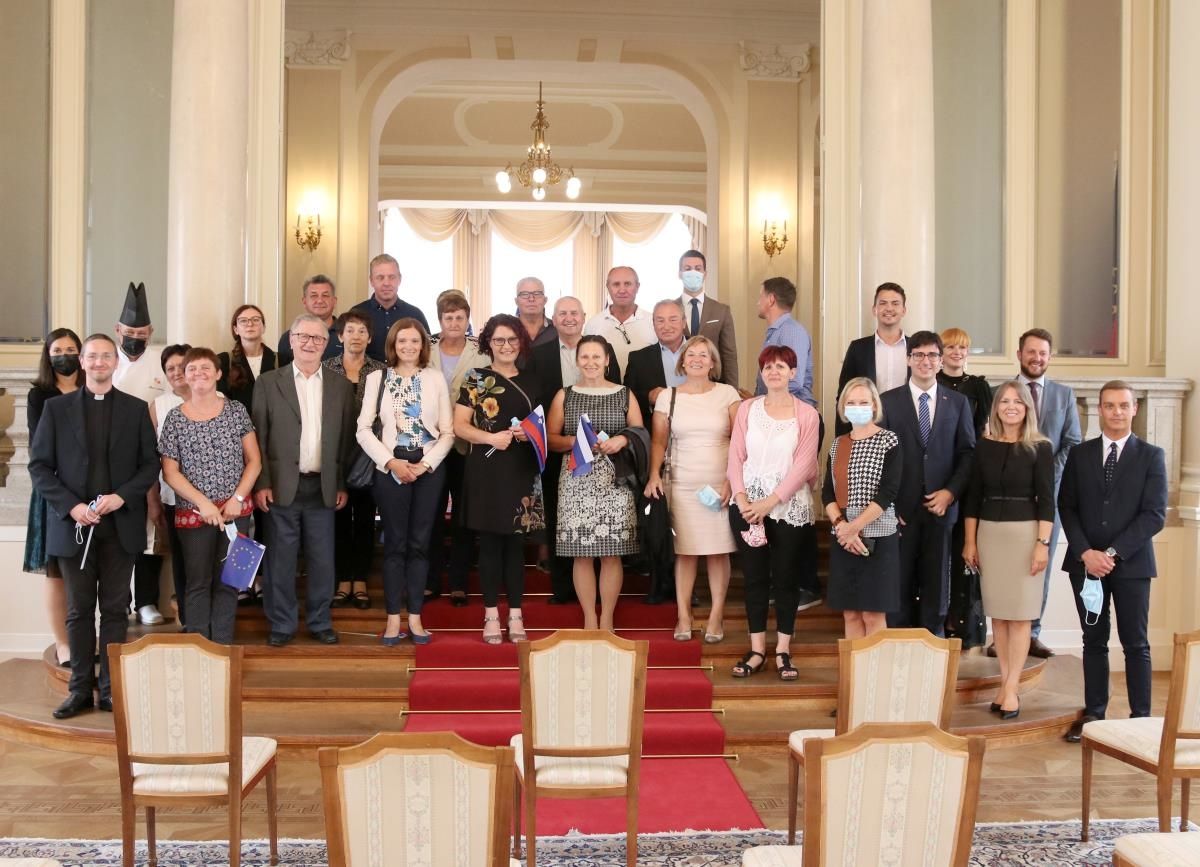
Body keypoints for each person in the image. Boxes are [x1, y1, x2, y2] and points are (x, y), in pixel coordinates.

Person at [29, 333, 159, 720]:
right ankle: (80, 690)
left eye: (106, 356)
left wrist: (122, 497)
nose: (99, 362)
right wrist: (71, 507)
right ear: (83, 362)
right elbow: (39, 467)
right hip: (74, 526)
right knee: (78, 610)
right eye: (92, 356)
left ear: (115, 362)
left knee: (116, 610)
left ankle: (112, 690)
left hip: (121, 525)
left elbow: (149, 465)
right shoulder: (56, 409)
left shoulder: (136, 409)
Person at [1060, 381, 1167, 743]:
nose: (1117, 412)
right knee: (1094, 640)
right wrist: (1086, 553)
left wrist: (1111, 553)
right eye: (1110, 405)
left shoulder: (1151, 456)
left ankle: (1141, 718)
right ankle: (1094, 714)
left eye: (1123, 405)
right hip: (1085, 565)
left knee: (1136, 642)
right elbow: (1067, 507)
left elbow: (1154, 514)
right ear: (1100, 409)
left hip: (1132, 566)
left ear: (1134, 409)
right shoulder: (1080, 455)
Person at [252, 313, 357, 647]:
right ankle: (282, 625)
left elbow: (346, 440)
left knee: (323, 560)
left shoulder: (341, 386)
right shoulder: (268, 383)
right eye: (304, 337)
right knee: (281, 560)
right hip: (281, 485)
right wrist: (262, 482)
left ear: (327, 344)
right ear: (291, 340)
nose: (310, 343)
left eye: (318, 338)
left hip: (322, 486)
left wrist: (340, 482)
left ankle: (320, 621)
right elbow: (258, 437)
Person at [357, 319, 454, 645]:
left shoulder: (435, 378)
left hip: (428, 470)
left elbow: (447, 432)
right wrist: (391, 463)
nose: (408, 346)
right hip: (390, 468)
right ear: (393, 345)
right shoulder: (377, 378)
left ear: (423, 345)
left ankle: (415, 617)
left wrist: (425, 465)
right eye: (402, 341)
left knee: (419, 545)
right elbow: (363, 429)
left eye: (414, 341)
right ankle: (392, 619)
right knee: (395, 545)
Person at [727, 345, 821, 680]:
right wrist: (742, 498)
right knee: (754, 579)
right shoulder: (747, 409)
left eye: (781, 366)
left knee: (785, 578)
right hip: (746, 506)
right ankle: (756, 650)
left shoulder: (807, 414)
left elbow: (804, 464)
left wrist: (770, 502)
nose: (774, 371)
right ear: (761, 372)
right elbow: (735, 456)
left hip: (788, 507)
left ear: (793, 373)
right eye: (768, 366)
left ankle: (782, 649)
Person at [962, 382, 1054, 720]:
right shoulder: (984, 446)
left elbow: (1047, 501)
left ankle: (1012, 688)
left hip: (1025, 536)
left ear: (1027, 407)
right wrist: (970, 541)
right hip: (989, 535)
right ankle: (1004, 682)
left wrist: (1042, 544)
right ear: (996, 407)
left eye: (1017, 401)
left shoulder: (1040, 447)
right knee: (999, 616)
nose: (1011, 406)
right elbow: (973, 498)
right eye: (1004, 401)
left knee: (1020, 616)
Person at [158, 348, 261, 644]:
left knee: (231, 582)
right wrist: (203, 504)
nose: (199, 373)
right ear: (185, 376)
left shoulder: (236, 411)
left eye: (206, 368)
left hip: (235, 514)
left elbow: (254, 461)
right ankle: (199, 648)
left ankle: (222, 646)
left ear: (218, 374)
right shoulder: (175, 418)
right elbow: (170, 472)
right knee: (197, 583)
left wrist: (237, 500)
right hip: (194, 515)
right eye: (192, 369)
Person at [453, 314, 545, 645]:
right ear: (488, 343)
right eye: (499, 340)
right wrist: (491, 438)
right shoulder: (476, 379)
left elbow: (543, 428)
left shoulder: (534, 380)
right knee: (490, 543)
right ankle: (491, 614)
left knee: (516, 545)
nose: (506, 346)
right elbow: (460, 426)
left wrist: (528, 434)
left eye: (512, 339)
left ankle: (516, 614)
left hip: (521, 468)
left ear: (521, 343)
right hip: (486, 469)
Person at [644, 335, 741, 643]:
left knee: (718, 551)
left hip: (720, 482)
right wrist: (653, 475)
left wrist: (732, 481)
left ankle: (716, 615)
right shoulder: (668, 396)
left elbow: (740, 441)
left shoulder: (728, 394)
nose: (697, 359)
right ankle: (683, 615)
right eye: (691, 354)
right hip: (682, 482)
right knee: (685, 552)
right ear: (682, 362)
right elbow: (658, 441)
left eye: (704, 355)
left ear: (713, 362)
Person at [879, 331, 976, 636]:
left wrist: (950, 492)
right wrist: (889, 506)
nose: (926, 361)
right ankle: (898, 649)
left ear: (941, 360)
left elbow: (968, 454)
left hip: (941, 510)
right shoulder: (888, 402)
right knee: (898, 588)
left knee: (937, 590)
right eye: (918, 354)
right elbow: (880, 458)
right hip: (900, 513)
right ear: (908, 359)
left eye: (932, 355)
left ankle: (933, 651)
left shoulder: (958, 403)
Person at [546, 335, 642, 630]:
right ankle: (589, 617)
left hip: (616, 479)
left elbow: (640, 432)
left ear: (607, 360)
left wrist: (621, 440)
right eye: (584, 357)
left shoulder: (624, 393)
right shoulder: (564, 395)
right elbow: (550, 439)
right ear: (577, 361)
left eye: (596, 357)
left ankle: (608, 617)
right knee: (581, 552)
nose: (590, 362)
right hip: (577, 479)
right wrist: (574, 441)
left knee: (612, 552)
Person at [531, 296, 619, 605]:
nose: (569, 318)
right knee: (560, 517)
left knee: (601, 521)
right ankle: (563, 587)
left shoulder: (602, 349)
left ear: (584, 317)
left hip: (603, 453)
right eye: (562, 313)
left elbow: (617, 394)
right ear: (553, 319)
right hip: (559, 449)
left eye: (574, 313)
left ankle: (600, 589)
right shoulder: (538, 354)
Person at [1016, 327, 1082, 659]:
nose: (1037, 358)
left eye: (1043, 353)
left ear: (1050, 357)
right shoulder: (1003, 392)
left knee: (1040, 566)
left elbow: (1072, 442)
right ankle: (1004, 633)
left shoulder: (1063, 395)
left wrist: (1046, 477)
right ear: (1020, 355)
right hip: (1009, 498)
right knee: (1007, 567)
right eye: (1031, 352)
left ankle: (1032, 633)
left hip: (1049, 499)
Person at [821, 377, 902, 639]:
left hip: (878, 538)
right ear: (844, 407)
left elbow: (888, 492)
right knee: (851, 614)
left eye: (863, 402)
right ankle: (854, 666)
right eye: (852, 402)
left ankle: (876, 667)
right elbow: (828, 493)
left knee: (873, 614)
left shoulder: (888, 440)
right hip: (844, 538)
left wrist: (854, 527)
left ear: (874, 405)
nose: (857, 407)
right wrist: (842, 527)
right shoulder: (838, 444)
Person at [24, 328, 84, 666]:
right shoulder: (40, 396)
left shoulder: (93, 389)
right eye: (57, 350)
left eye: (70, 349)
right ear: (48, 356)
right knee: (57, 573)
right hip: (56, 491)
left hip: (92, 491)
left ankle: (87, 638)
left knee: (89, 572)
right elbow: (39, 445)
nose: (64, 356)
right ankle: (63, 643)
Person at [623, 299, 688, 605]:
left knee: (687, 518)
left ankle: (686, 586)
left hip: (692, 448)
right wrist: (649, 398)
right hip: (655, 447)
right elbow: (627, 398)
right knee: (656, 517)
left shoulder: (699, 352)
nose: (666, 325)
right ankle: (659, 580)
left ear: (684, 322)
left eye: (673, 319)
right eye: (659, 320)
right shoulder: (640, 358)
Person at [111, 282, 167, 627]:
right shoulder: (106, 360)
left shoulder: (161, 362)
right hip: (112, 460)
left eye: (141, 333)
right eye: (130, 332)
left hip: (151, 459)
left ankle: (147, 600)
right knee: (117, 533)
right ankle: (119, 601)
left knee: (151, 530)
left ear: (151, 332)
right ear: (117, 330)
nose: (135, 338)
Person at [427, 291, 489, 606]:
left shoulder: (482, 352)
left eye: (459, 317)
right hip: (430, 442)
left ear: (467, 319)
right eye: (448, 317)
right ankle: (430, 579)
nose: (454, 322)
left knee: (464, 514)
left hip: (468, 443)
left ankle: (459, 581)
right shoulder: (424, 348)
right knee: (432, 513)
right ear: (440, 320)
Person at [324, 311, 386, 609]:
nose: (356, 336)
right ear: (340, 336)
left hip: (368, 455)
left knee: (364, 519)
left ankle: (359, 580)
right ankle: (341, 581)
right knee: (336, 519)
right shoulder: (326, 368)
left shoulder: (381, 371)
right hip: (333, 454)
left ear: (370, 337)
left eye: (362, 331)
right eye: (350, 330)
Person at [938, 326, 994, 649]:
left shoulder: (979, 387)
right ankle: (937, 620)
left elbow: (984, 431)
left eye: (962, 348)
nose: (957, 353)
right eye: (950, 347)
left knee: (966, 549)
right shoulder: (932, 382)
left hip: (970, 474)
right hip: (937, 476)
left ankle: (964, 628)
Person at [147, 344, 191, 627]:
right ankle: (188, 619)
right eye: (170, 368)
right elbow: (149, 458)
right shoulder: (158, 406)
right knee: (182, 561)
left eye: (181, 366)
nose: (176, 372)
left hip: (215, 500)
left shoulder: (220, 399)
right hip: (173, 497)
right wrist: (152, 500)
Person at [834, 282, 908, 436]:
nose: (889, 308)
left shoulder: (915, 349)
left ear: (903, 310)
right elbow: (844, 395)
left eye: (895, 303)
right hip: (866, 427)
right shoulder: (858, 348)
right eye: (883, 303)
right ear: (875, 310)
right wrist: (843, 440)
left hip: (906, 428)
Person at [352, 254, 430, 362]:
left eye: (392, 277)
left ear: (399, 279)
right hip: (366, 373)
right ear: (371, 281)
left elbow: (427, 352)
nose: (386, 283)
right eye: (380, 277)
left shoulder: (415, 315)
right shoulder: (356, 314)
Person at [678, 250, 738, 387]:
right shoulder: (670, 309)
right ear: (680, 274)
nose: (693, 272)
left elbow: (729, 354)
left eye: (698, 268)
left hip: (714, 383)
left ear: (705, 274)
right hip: (678, 382)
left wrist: (733, 390)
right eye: (687, 268)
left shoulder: (721, 310)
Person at [754, 277, 816, 408]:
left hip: (795, 414)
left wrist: (761, 401)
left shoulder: (791, 332)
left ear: (771, 299)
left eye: (761, 297)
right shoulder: (777, 332)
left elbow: (794, 381)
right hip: (775, 410)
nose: (757, 302)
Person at [583, 266, 655, 377]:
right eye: (616, 284)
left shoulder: (653, 322)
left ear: (637, 287)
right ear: (608, 287)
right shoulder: (593, 324)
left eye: (627, 284)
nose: (622, 290)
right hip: (603, 387)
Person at [218, 304, 277, 413]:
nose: (250, 324)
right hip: (237, 422)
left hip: (274, 423)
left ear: (263, 327)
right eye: (243, 321)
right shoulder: (223, 361)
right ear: (236, 329)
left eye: (256, 320)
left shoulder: (280, 360)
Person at [278, 274, 344, 365]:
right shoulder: (289, 338)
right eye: (314, 296)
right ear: (304, 301)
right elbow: (284, 372)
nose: (320, 301)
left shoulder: (347, 335)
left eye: (325, 295)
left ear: (334, 301)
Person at [514, 276, 557, 348]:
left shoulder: (558, 330)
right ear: (516, 301)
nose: (531, 299)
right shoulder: (507, 329)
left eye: (537, 294)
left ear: (545, 300)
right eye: (524, 294)